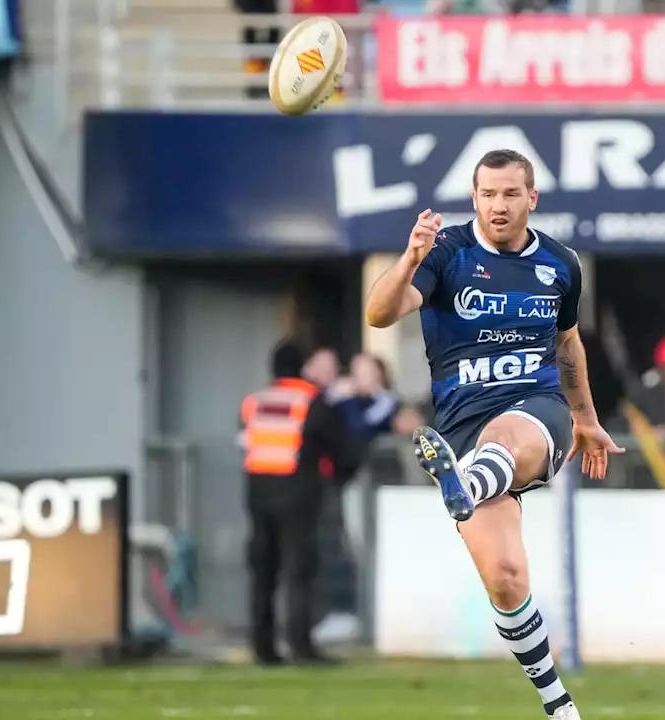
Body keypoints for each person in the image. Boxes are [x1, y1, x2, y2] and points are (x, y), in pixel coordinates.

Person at [364, 149, 623, 720]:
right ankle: (559, 705)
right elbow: (379, 316)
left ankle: (470, 483)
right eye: (487, 194)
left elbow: (568, 344)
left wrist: (584, 418)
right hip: (462, 425)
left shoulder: (560, 264)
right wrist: (409, 258)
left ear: (532, 198)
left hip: (538, 409)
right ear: (473, 198)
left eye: (510, 194)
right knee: (505, 580)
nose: (498, 205)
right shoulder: (447, 253)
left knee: (506, 439)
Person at [239, 341, 359, 666]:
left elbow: (246, 439)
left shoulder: (254, 401)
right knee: (299, 571)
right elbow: (340, 446)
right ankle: (300, 645)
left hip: (258, 494)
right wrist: (339, 477)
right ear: (303, 366)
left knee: (263, 572)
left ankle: (263, 647)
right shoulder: (311, 399)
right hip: (299, 494)